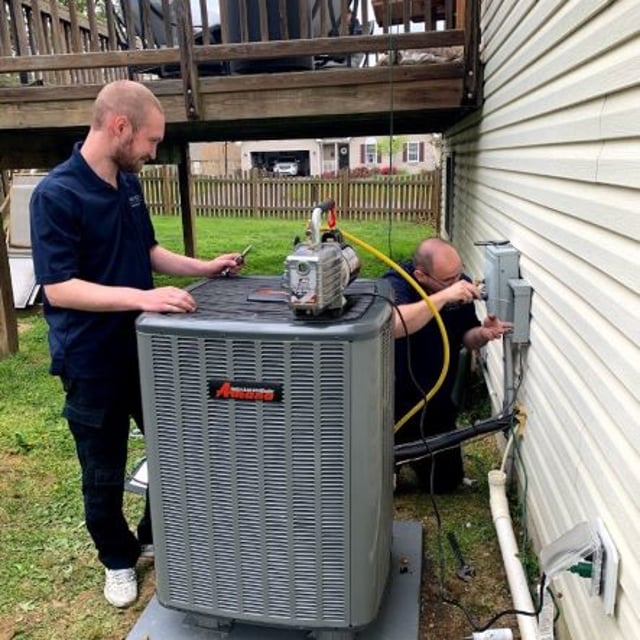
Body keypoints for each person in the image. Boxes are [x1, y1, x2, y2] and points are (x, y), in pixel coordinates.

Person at [29, 80, 244, 609]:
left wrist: (203, 267)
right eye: (150, 141)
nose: (153, 151)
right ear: (119, 127)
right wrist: (143, 300)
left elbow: (147, 249)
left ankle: (155, 536)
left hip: (149, 353)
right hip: (92, 361)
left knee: (175, 452)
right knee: (103, 471)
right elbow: (59, 287)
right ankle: (118, 561)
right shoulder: (55, 194)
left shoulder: (127, 184)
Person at [383, 238, 512, 493]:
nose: (457, 283)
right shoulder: (396, 282)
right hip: (392, 403)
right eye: (448, 280)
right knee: (380, 488)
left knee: (445, 484)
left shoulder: (456, 284)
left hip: (436, 399)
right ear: (421, 275)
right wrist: (444, 296)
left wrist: (482, 334)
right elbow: (393, 325)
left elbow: (466, 335)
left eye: (458, 275)